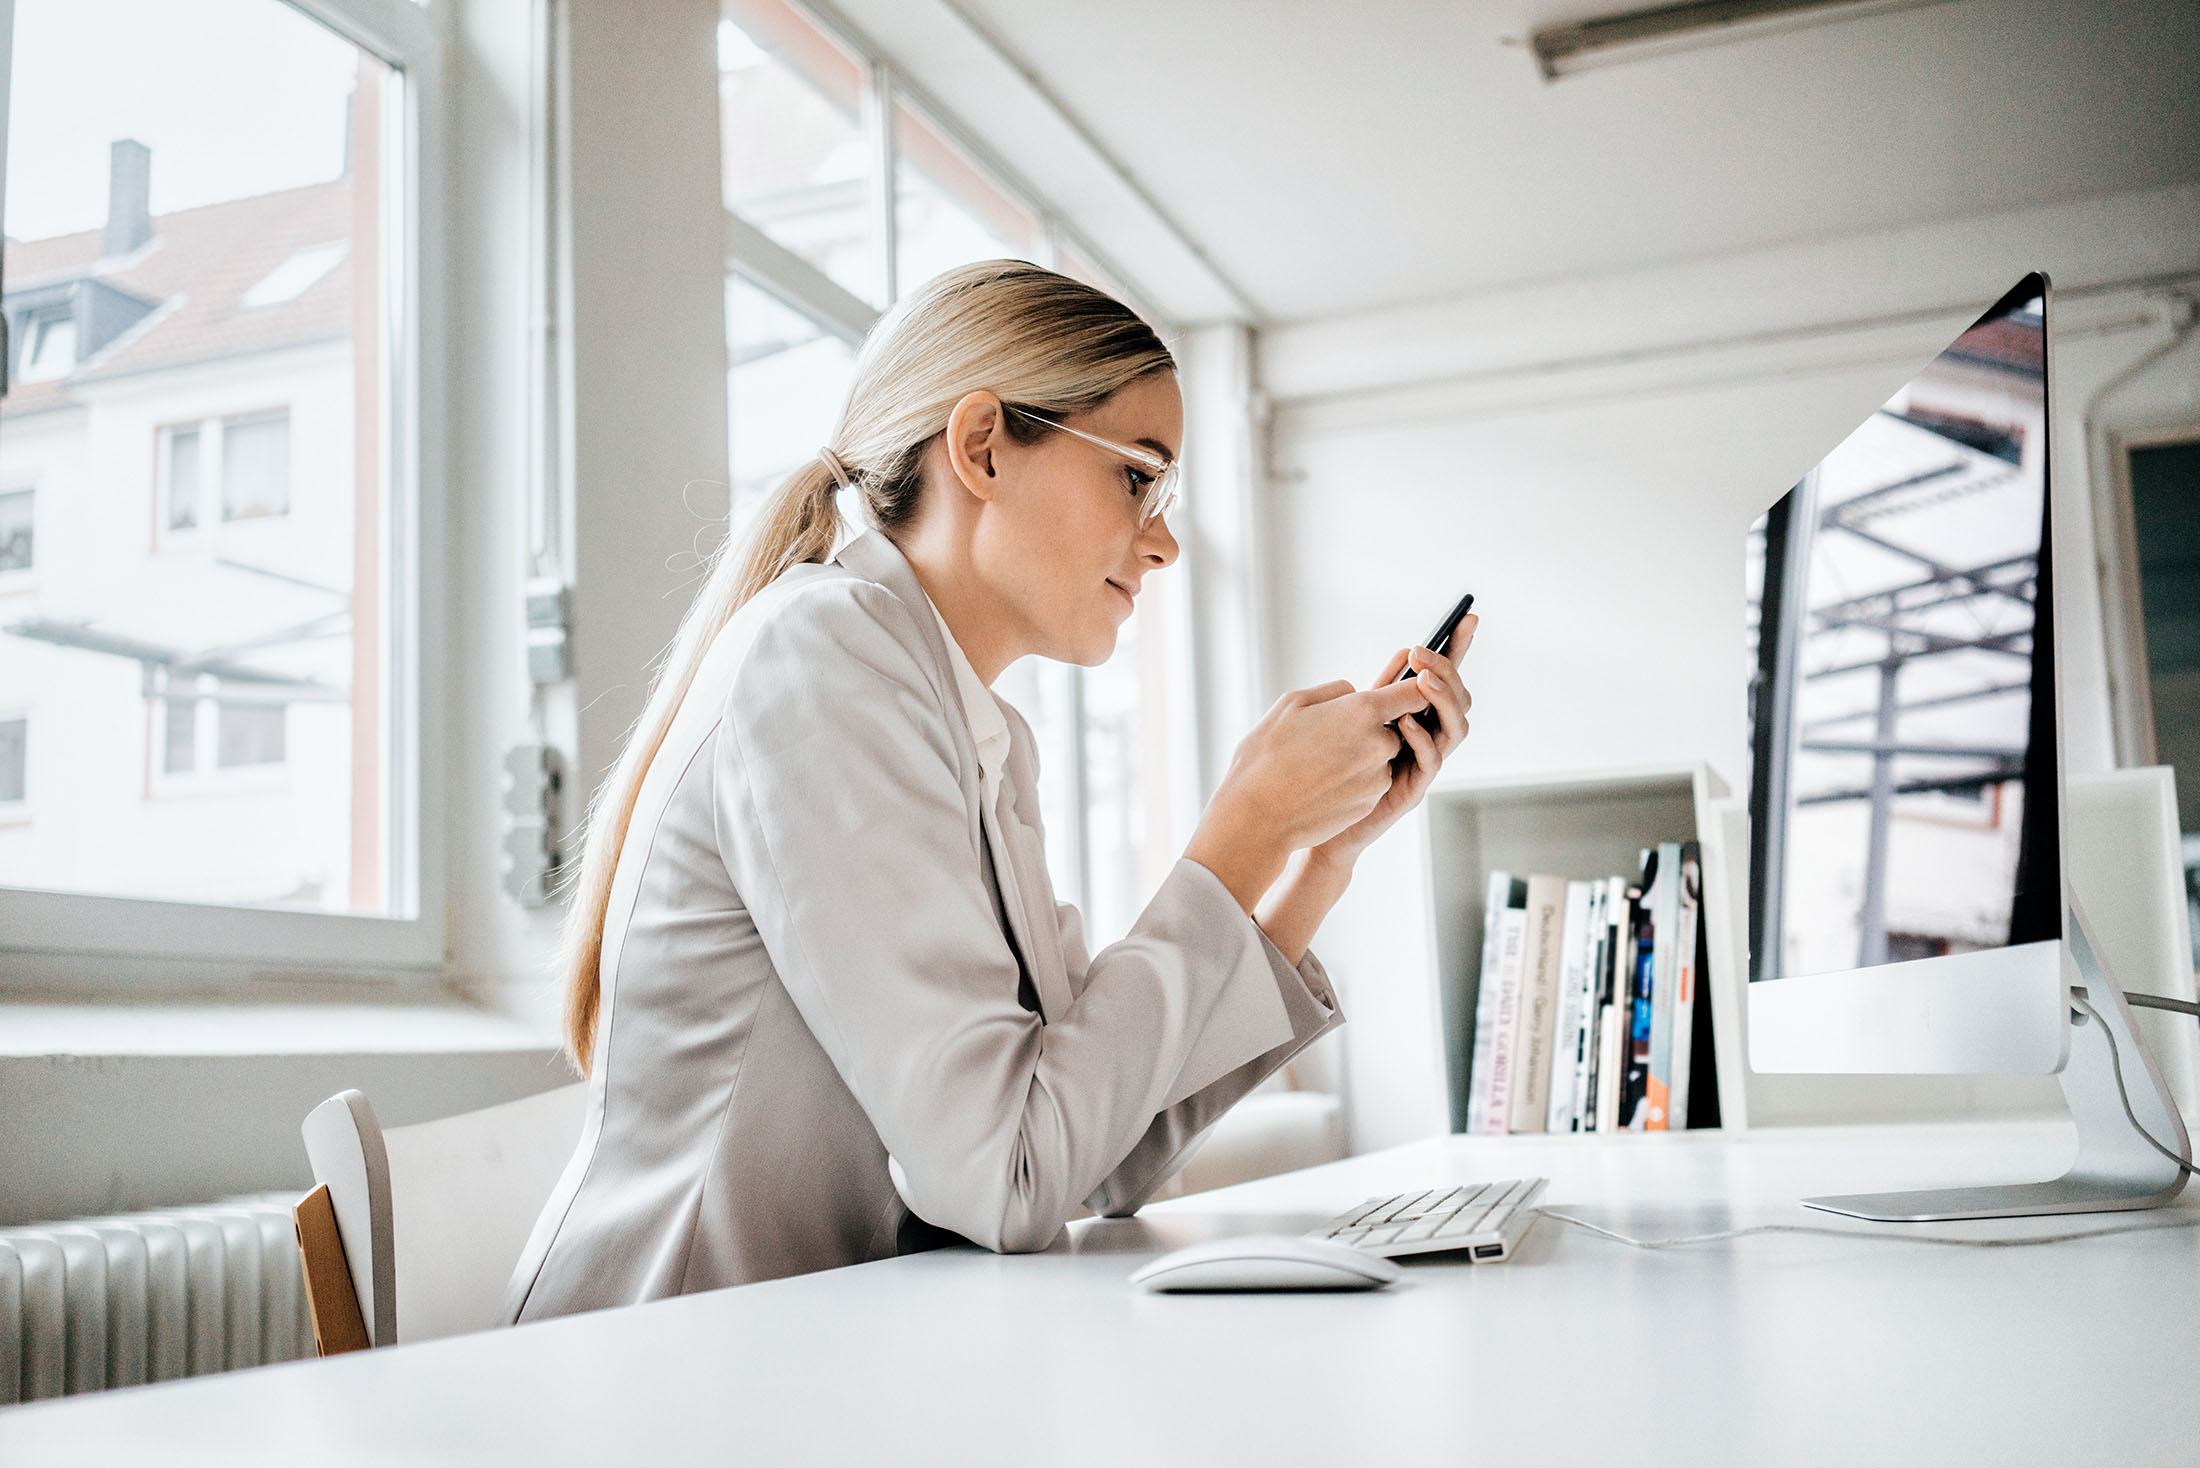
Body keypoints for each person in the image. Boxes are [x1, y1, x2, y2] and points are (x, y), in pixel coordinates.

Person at [500, 261, 1475, 1322]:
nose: (1164, 538)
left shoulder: (973, 728)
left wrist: (1314, 857)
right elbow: (1009, 1173)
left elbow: (1085, 1150)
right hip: (653, 1379)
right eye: (1137, 476)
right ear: (981, 447)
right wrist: (1240, 829)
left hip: (800, 1356)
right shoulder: (821, 658)